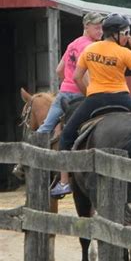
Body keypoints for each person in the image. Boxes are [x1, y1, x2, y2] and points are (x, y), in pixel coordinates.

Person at [58, 12, 131, 185]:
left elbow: (77, 77)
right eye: (126, 33)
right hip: (122, 98)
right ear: (116, 34)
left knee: (66, 135)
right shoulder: (124, 52)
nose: (127, 37)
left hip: (95, 99)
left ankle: (64, 182)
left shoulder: (89, 50)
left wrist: (88, 94)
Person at [35, 12, 104, 197]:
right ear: (86, 26)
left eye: (101, 27)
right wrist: (89, 92)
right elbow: (86, 74)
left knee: (45, 128)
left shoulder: (73, 44)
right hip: (82, 94)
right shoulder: (93, 47)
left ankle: (31, 162)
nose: (101, 30)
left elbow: (59, 70)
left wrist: (68, 84)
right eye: (97, 27)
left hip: (64, 93)